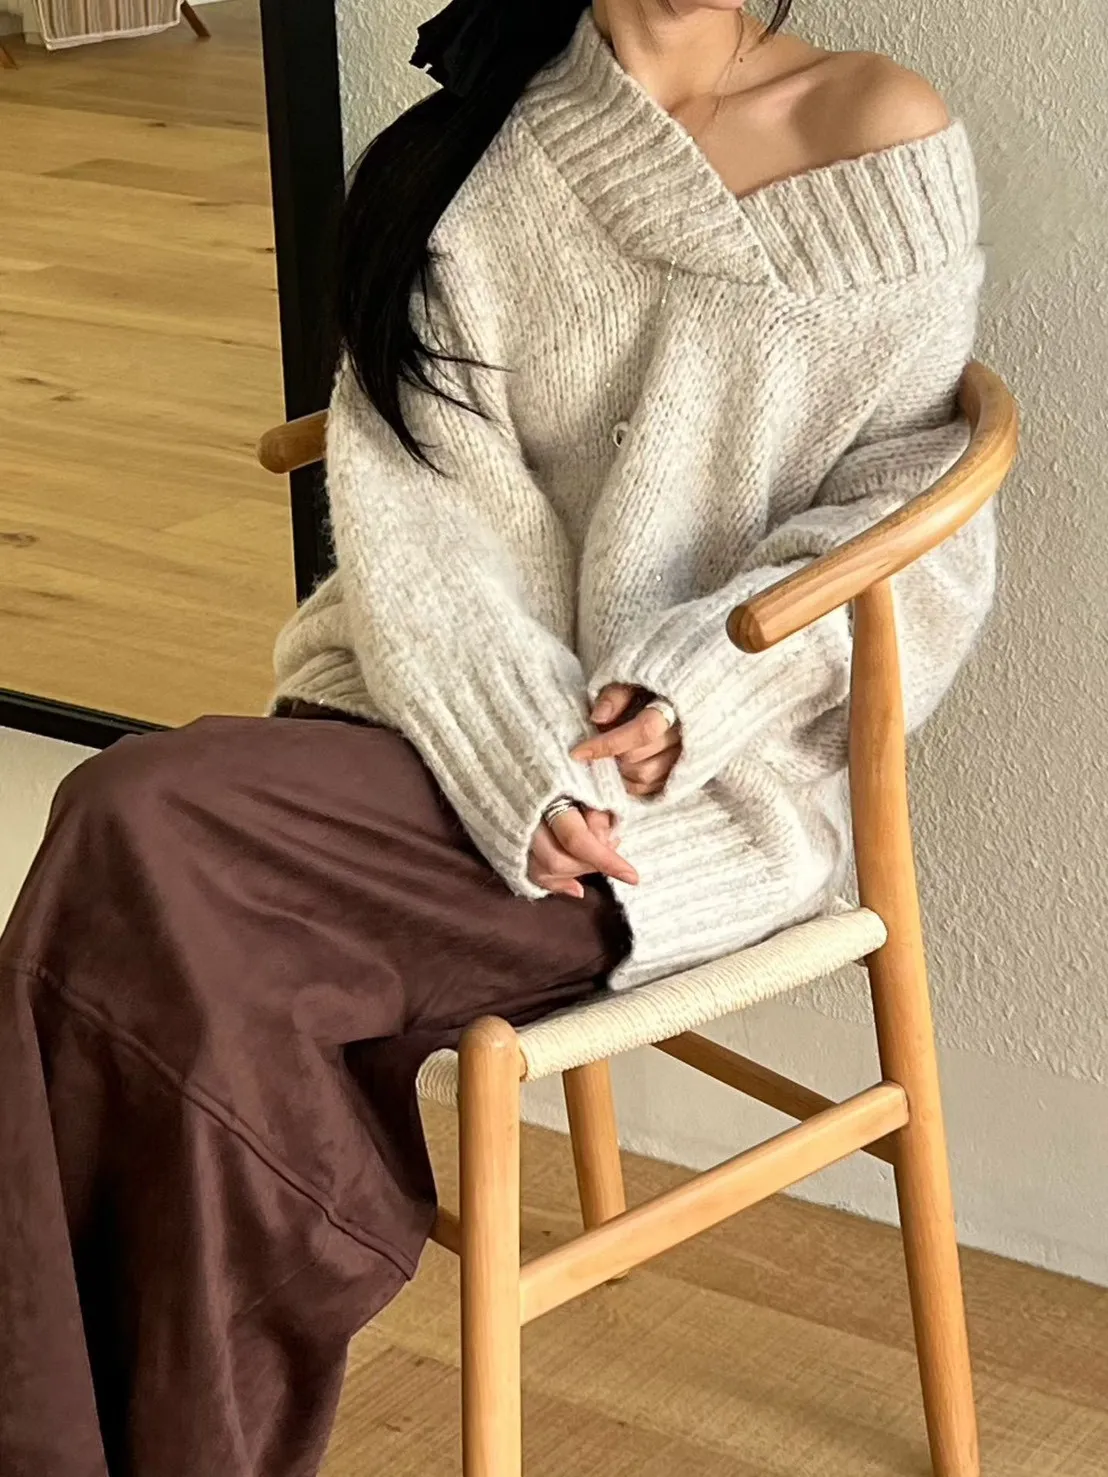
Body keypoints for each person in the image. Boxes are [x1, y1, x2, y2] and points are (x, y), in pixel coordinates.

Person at [0, 2, 997, 1473]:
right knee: (157, 876)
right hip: (442, 724)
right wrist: (514, 763)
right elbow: (421, 513)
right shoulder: (474, 159)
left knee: (149, 854)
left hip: (699, 792)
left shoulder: (875, 127)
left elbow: (911, 515)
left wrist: (700, 690)